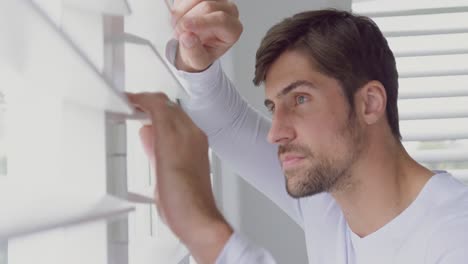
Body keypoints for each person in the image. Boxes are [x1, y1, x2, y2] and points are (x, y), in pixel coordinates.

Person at [127, 1, 468, 263]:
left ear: (370, 103)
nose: (276, 132)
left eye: (300, 98)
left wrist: (205, 232)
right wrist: (195, 55)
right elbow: (224, 122)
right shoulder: (329, 197)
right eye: (274, 107)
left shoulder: (455, 236)